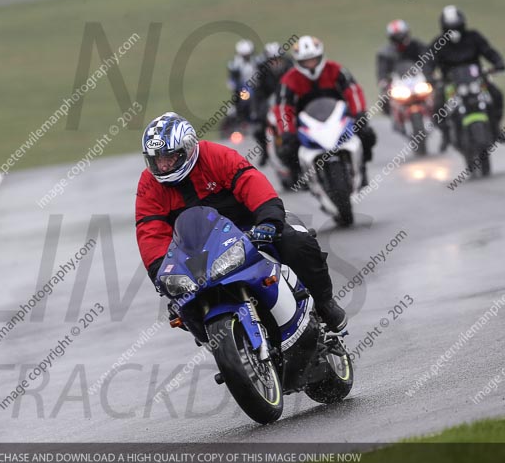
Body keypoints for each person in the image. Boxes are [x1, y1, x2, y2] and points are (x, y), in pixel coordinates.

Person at [135, 112, 347, 332]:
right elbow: (149, 230)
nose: (163, 167)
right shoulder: (149, 184)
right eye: (156, 160)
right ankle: (222, 344)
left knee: (296, 243)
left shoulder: (214, 155)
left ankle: (324, 303)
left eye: (169, 158)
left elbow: (251, 182)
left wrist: (268, 222)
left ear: (187, 149)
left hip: (248, 230)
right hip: (196, 252)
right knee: (181, 306)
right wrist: (160, 269)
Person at [275, 36, 376, 188]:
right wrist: (287, 131)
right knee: (287, 149)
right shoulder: (289, 80)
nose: (310, 64)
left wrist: (359, 114)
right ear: (297, 61)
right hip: (307, 125)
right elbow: (283, 108)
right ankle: (301, 177)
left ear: (321, 56)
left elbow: (353, 91)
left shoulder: (336, 69)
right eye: (305, 61)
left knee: (367, 133)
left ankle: (362, 166)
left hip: (340, 118)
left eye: (313, 59)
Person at [426, 5, 505, 151]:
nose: (454, 30)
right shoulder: (438, 43)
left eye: (456, 26)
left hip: (477, 80)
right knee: (437, 106)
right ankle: (447, 135)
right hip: (450, 84)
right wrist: (430, 77)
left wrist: (498, 63)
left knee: (496, 94)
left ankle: (496, 128)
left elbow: (489, 51)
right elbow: (428, 63)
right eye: (450, 27)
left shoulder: (473, 37)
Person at [252, 42, 294, 166]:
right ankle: (265, 151)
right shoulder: (261, 73)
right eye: (272, 60)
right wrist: (258, 112)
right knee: (259, 129)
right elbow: (258, 95)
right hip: (271, 105)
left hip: (289, 103)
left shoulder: (291, 68)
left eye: (278, 59)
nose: (276, 63)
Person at [376, 19, 427, 115]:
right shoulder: (385, 53)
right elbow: (382, 71)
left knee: (437, 91)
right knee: (384, 97)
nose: (400, 40)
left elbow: (428, 61)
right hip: (398, 81)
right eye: (396, 37)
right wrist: (383, 81)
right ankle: (393, 116)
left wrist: (430, 74)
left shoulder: (417, 46)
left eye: (402, 35)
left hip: (418, 78)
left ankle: (440, 116)